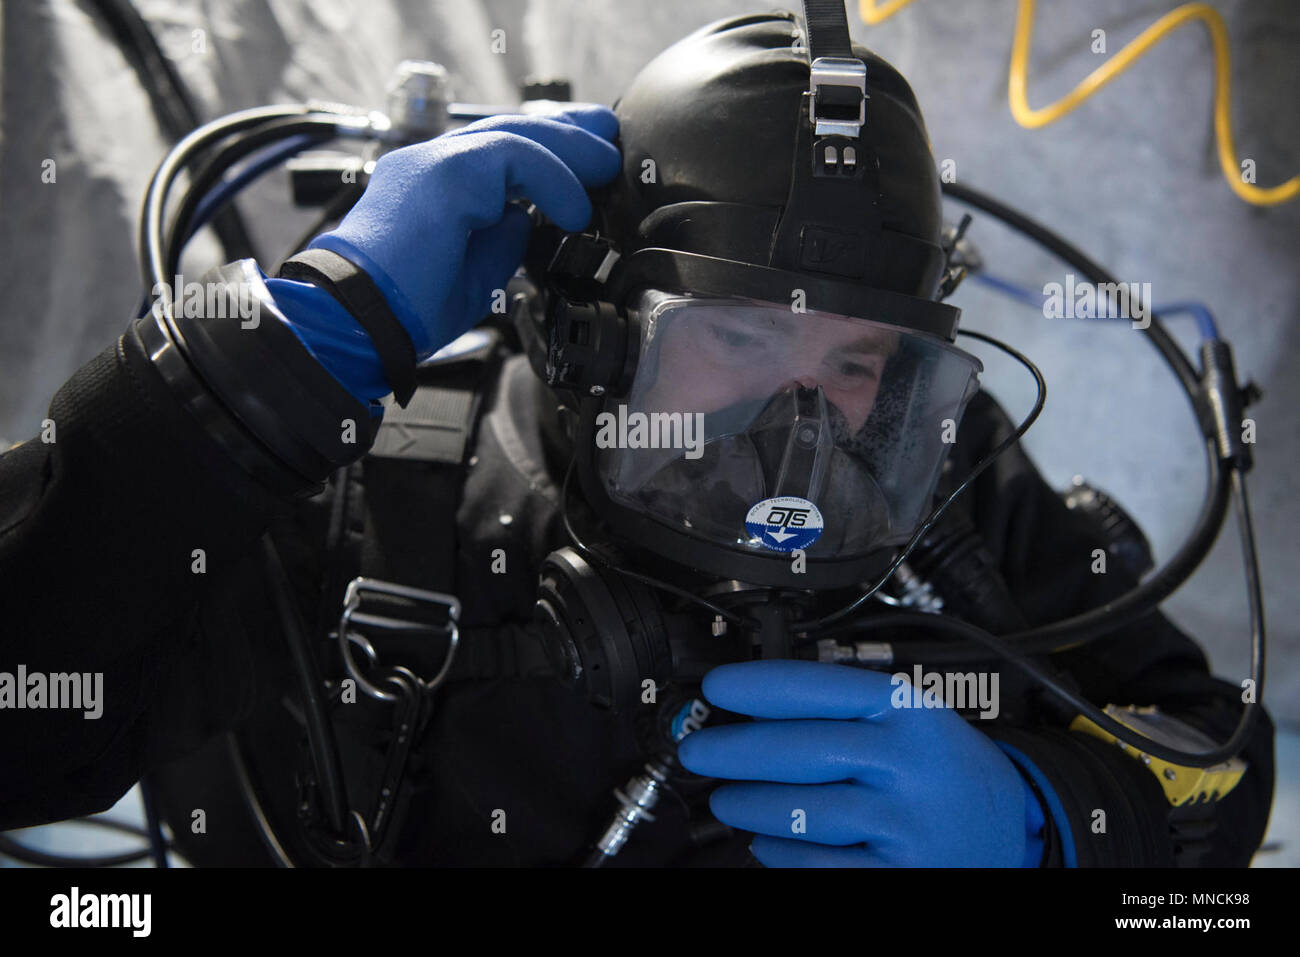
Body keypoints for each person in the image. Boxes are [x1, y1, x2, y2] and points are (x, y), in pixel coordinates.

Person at [0, 7, 1273, 868]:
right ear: (584, 340)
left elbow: (1208, 750)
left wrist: (1054, 821)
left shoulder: (940, 471)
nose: (802, 432)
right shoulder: (384, 482)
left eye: (852, 358)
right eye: (735, 338)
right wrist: (268, 370)